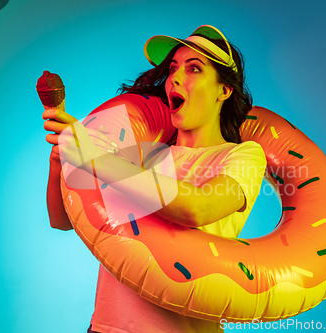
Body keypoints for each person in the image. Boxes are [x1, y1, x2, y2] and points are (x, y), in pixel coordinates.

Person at [42, 25, 266, 333]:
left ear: (223, 90)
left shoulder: (241, 156)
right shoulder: (144, 155)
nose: (175, 77)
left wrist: (94, 158)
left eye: (194, 69)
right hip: (106, 327)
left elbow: (198, 208)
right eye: (173, 68)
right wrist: (61, 161)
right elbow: (61, 220)